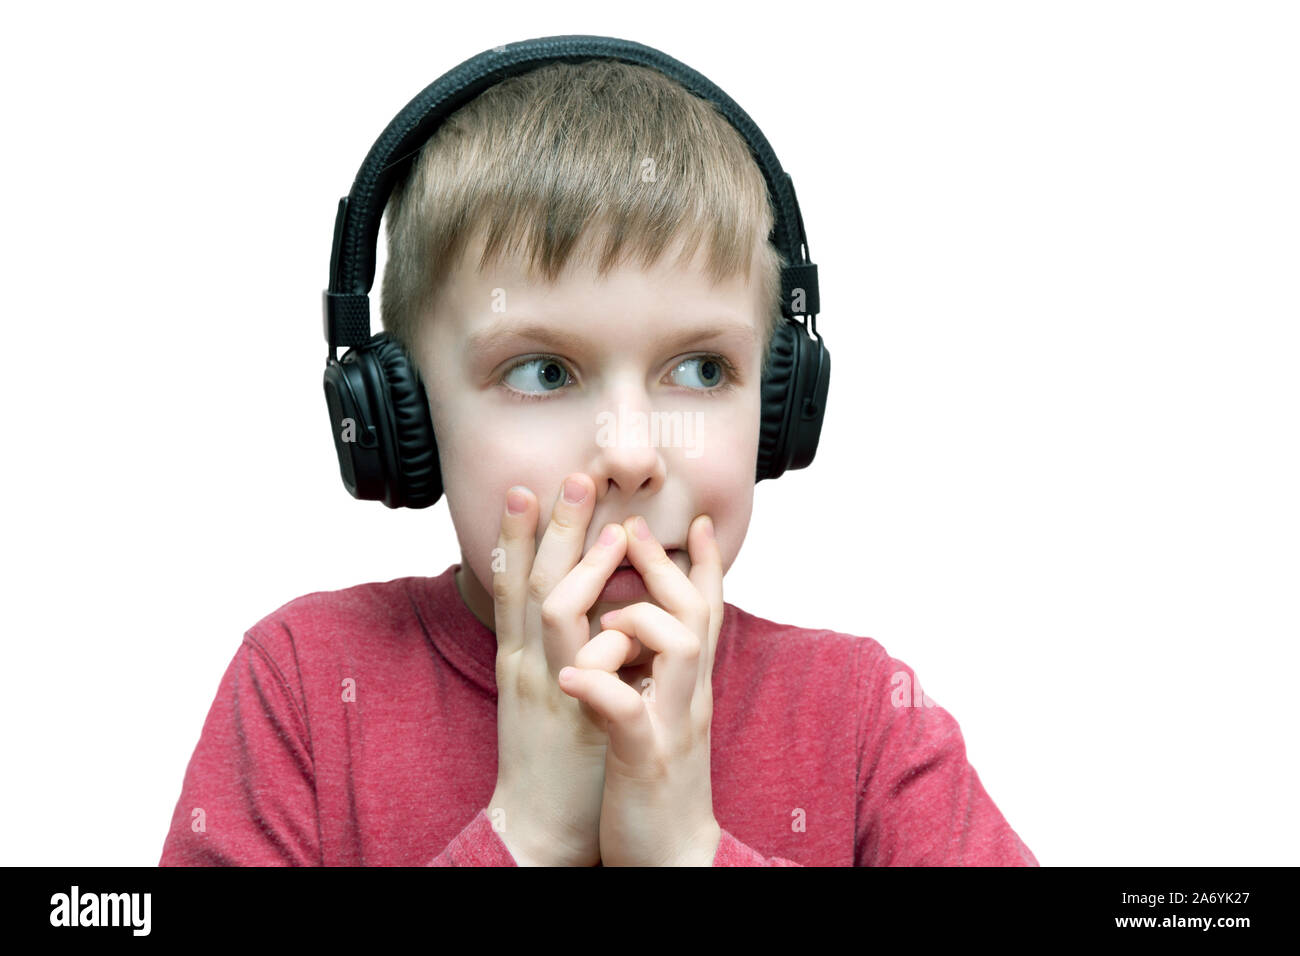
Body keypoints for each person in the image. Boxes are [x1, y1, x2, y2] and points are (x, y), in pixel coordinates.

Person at [159, 50, 1038, 867]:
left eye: (700, 369)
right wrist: (527, 832)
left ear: (779, 410)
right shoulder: (304, 688)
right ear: (404, 419)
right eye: (543, 372)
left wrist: (691, 852)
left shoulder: (864, 720)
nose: (630, 453)